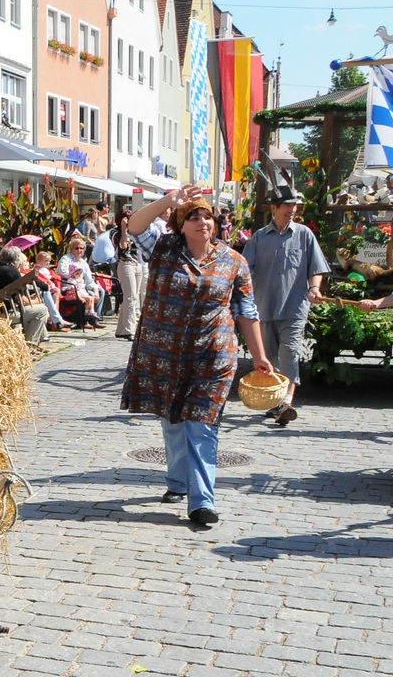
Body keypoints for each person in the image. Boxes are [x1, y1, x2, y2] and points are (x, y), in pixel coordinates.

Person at [122, 185, 273, 530]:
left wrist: (260, 355)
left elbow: (246, 310)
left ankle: (202, 501)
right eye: (193, 216)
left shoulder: (233, 260)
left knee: (202, 424)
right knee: (172, 418)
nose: (202, 221)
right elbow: (134, 228)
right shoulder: (164, 249)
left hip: (214, 355)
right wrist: (166, 202)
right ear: (180, 224)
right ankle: (177, 481)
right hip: (165, 353)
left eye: (207, 216)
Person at [238, 185, 329, 426]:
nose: (293, 209)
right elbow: (245, 270)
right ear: (274, 208)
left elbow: (316, 268)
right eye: (288, 205)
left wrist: (314, 288)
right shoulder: (259, 237)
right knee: (268, 358)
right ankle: (275, 400)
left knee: (290, 351)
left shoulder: (304, 235)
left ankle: (286, 402)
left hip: (294, 306)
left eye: (295, 205)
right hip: (264, 306)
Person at [0, 245, 49, 347]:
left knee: (35, 310)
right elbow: (23, 301)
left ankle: (36, 340)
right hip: (5, 313)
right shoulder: (12, 272)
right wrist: (37, 301)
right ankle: (31, 345)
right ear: (17, 259)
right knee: (42, 310)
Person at [105, 206, 150, 341]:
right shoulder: (114, 232)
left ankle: (122, 330)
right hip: (125, 264)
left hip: (137, 264)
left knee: (133, 296)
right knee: (130, 297)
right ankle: (131, 329)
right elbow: (123, 246)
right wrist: (124, 229)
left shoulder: (134, 231)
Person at [58, 235, 103, 328]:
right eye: (76, 248)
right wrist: (74, 275)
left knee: (99, 291)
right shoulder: (66, 259)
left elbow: (89, 279)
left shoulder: (83, 262)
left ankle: (94, 319)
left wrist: (95, 290)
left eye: (81, 248)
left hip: (81, 286)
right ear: (72, 249)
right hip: (70, 287)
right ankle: (84, 321)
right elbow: (62, 273)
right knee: (88, 295)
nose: (79, 250)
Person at [31, 251, 72, 330]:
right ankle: (55, 321)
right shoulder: (40, 269)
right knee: (56, 293)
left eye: (49, 261)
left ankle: (55, 320)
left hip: (46, 288)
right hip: (43, 289)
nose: (48, 263)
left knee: (56, 293)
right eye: (46, 261)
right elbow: (44, 278)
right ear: (39, 260)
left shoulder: (38, 268)